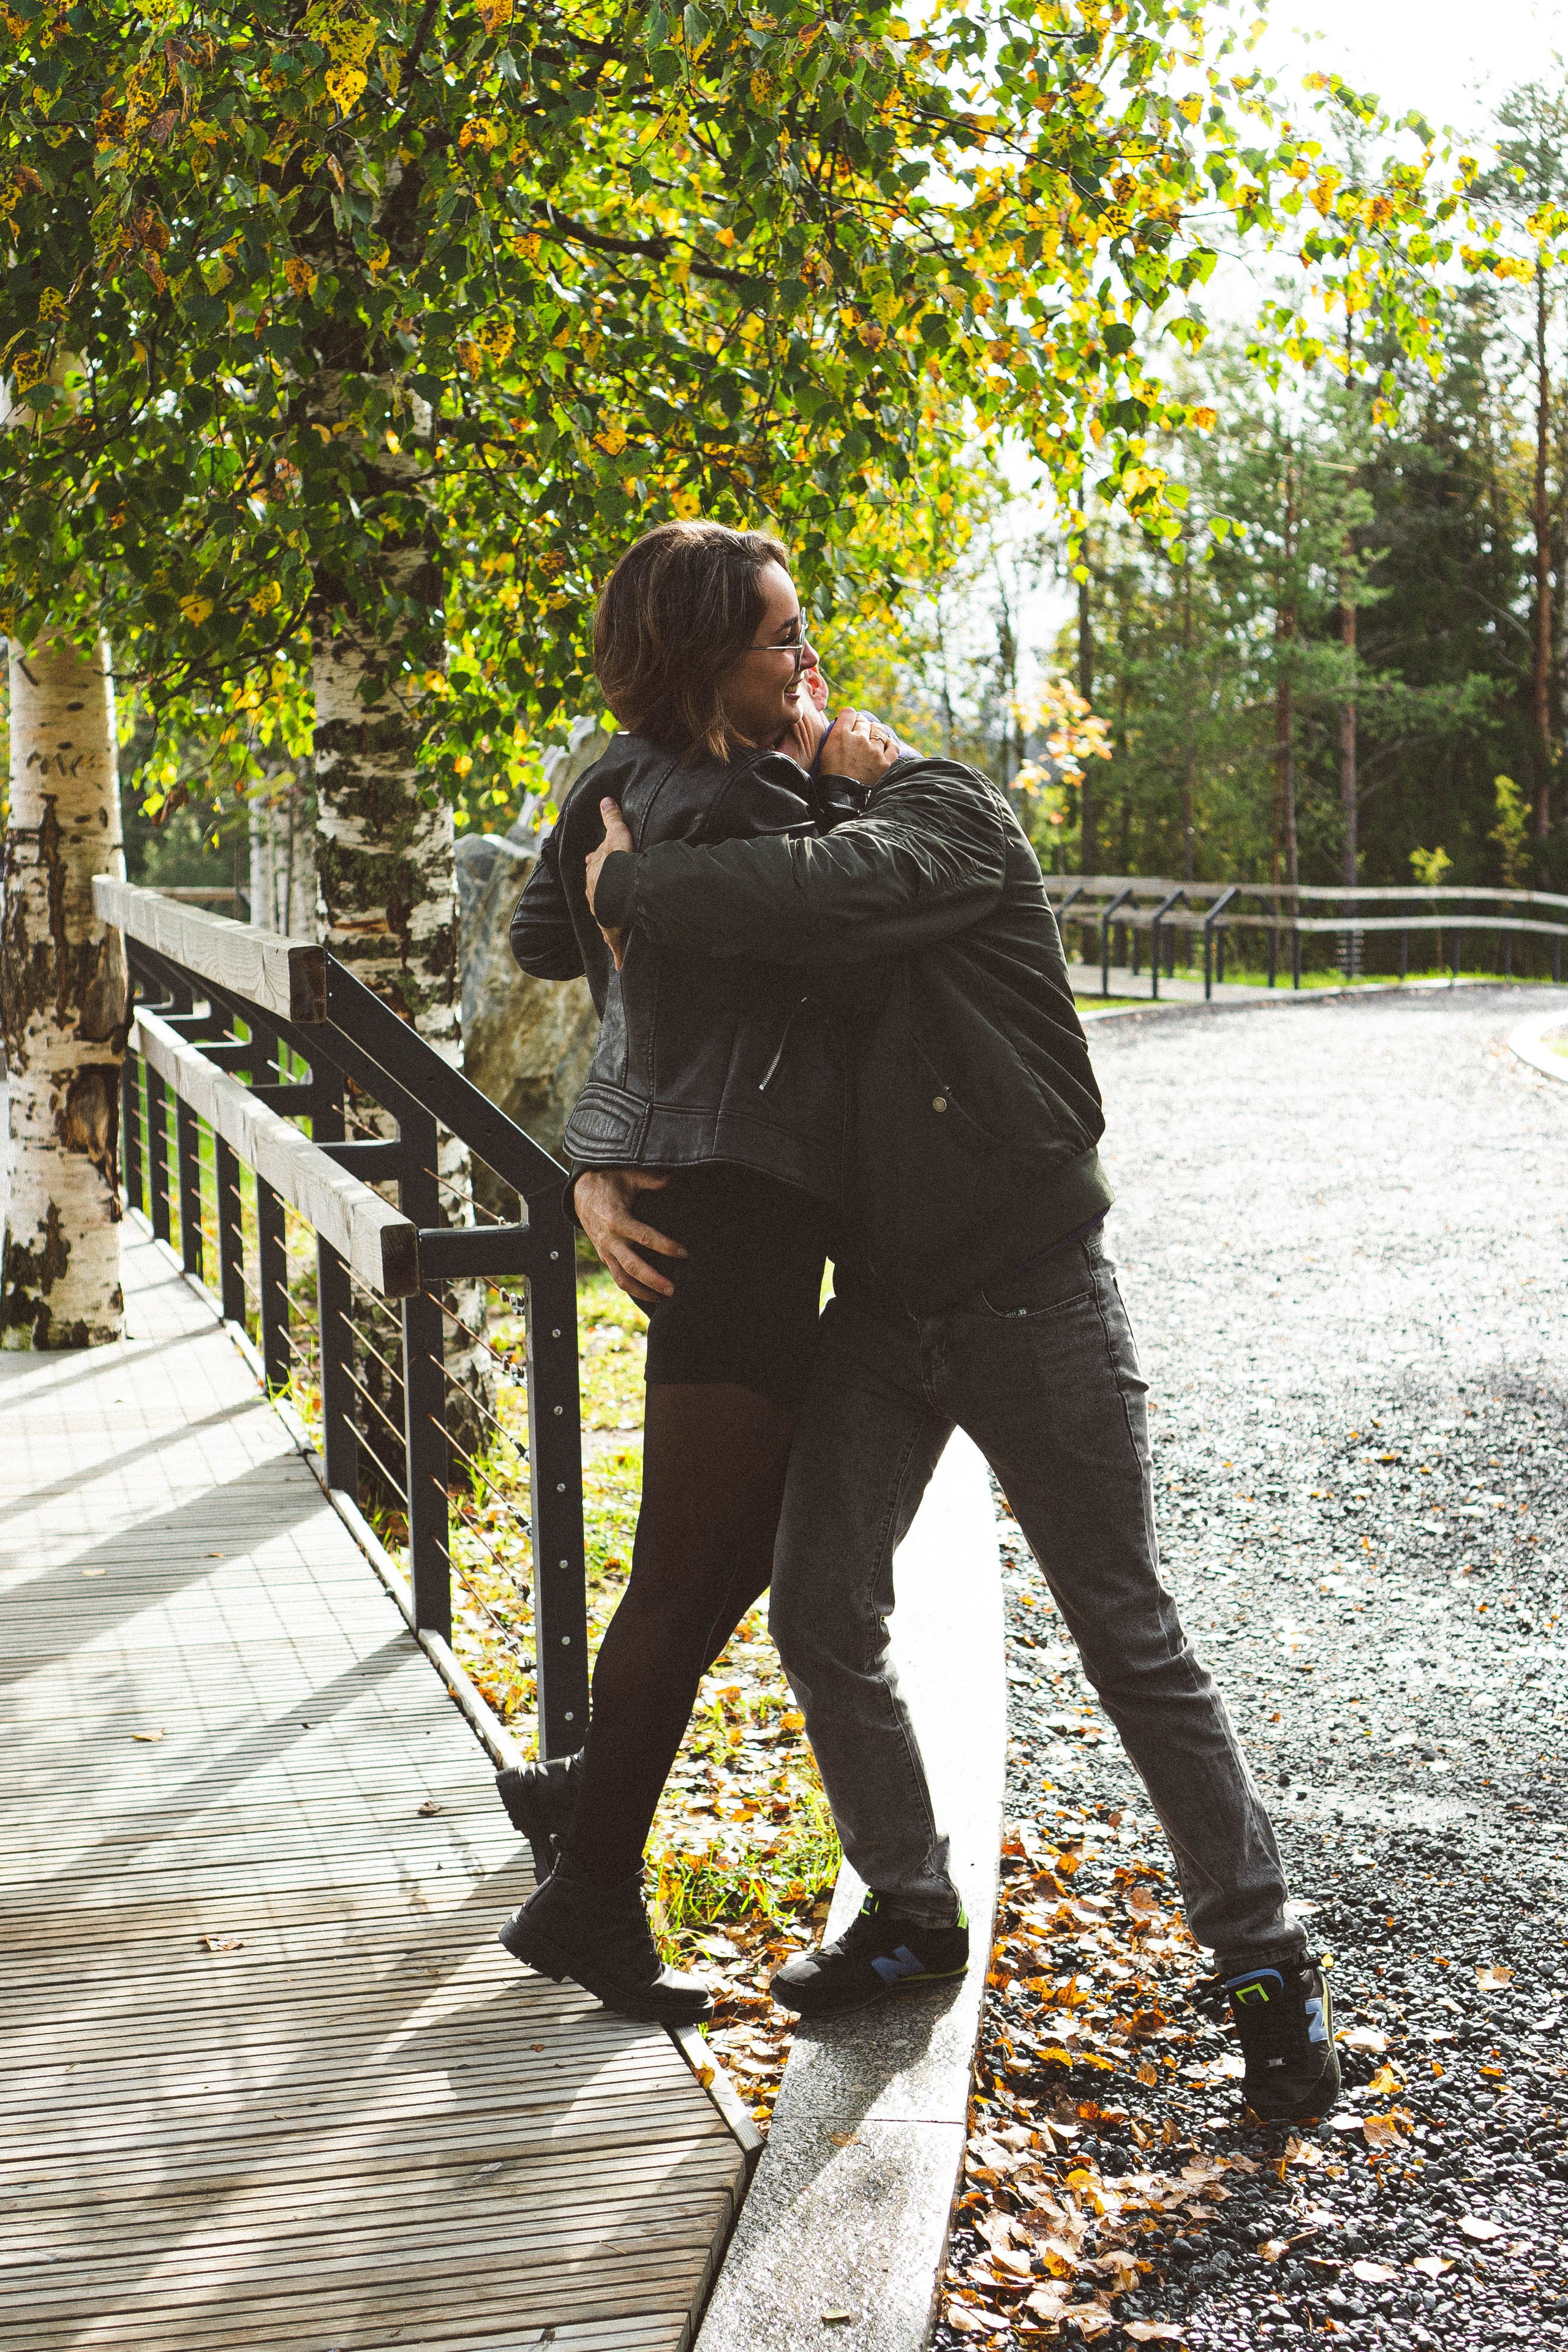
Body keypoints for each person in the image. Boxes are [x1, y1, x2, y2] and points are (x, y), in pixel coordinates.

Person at [571, 722, 1341, 2124]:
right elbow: (667, 1023)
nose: (797, 694)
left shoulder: (943, 814)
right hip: (877, 1309)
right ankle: (913, 1909)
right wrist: (592, 1164)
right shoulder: (770, 852)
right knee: (818, 1607)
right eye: (775, 667)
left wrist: (625, 885)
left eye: (810, 663)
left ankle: (1266, 1971)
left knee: (1125, 1634)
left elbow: (822, 891)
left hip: (1029, 1293)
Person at [494, 519, 899, 2027]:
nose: (805, 661)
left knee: (753, 1534)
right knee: (685, 1565)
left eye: (802, 632)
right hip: (730, 1201)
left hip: (712, 1190)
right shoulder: (741, 810)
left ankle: (582, 1796)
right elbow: (833, 911)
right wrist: (829, 783)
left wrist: (627, 972)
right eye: (776, 643)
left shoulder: (606, 783)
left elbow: (548, 934)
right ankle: (592, 1890)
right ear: (697, 660)